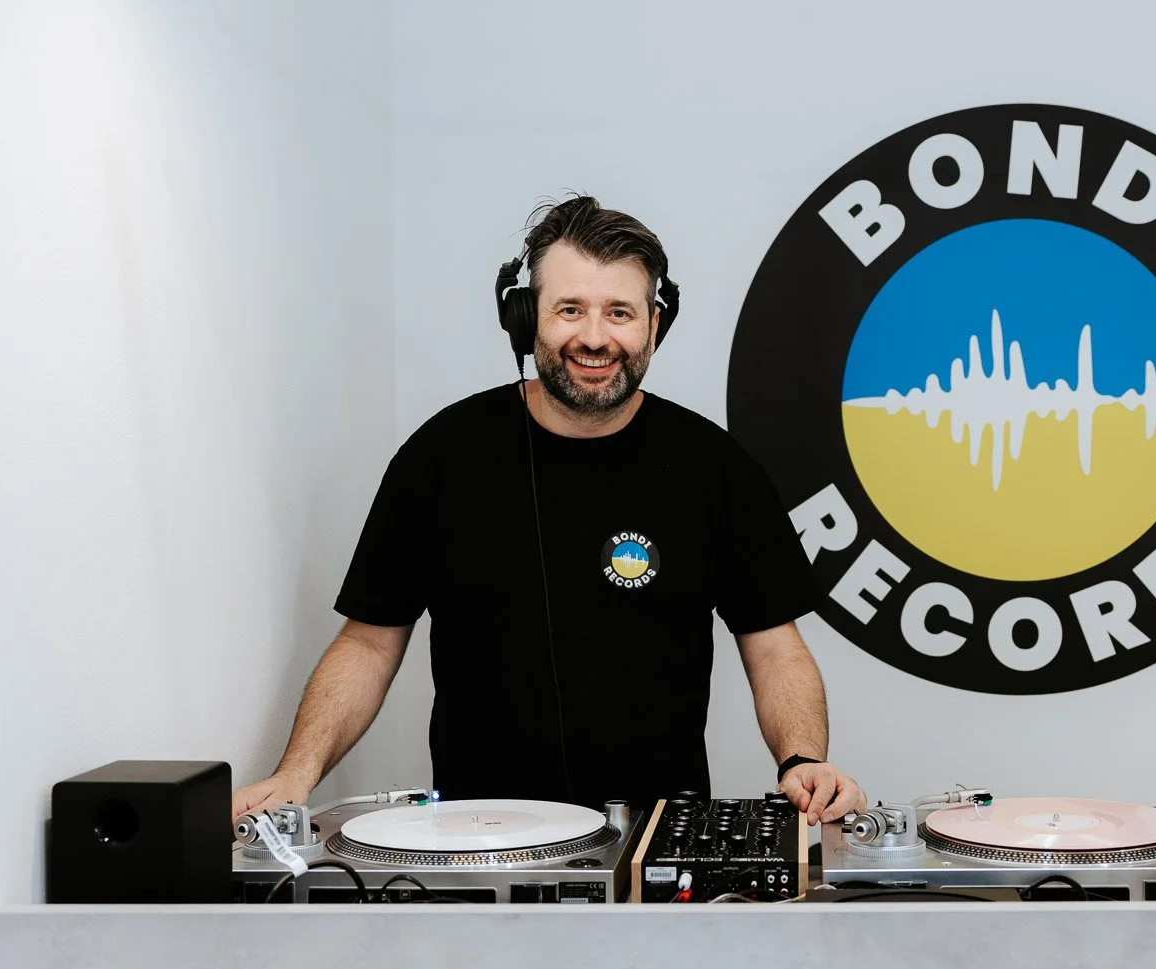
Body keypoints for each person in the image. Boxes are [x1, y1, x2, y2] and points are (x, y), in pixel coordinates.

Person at [232, 195, 866, 827]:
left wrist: (802, 758)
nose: (594, 337)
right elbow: (369, 643)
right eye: (570, 309)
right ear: (525, 316)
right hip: (475, 845)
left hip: (652, 847)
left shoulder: (716, 468)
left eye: (619, 312)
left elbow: (775, 648)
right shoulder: (440, 457)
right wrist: (297, 771)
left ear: (655, 323)